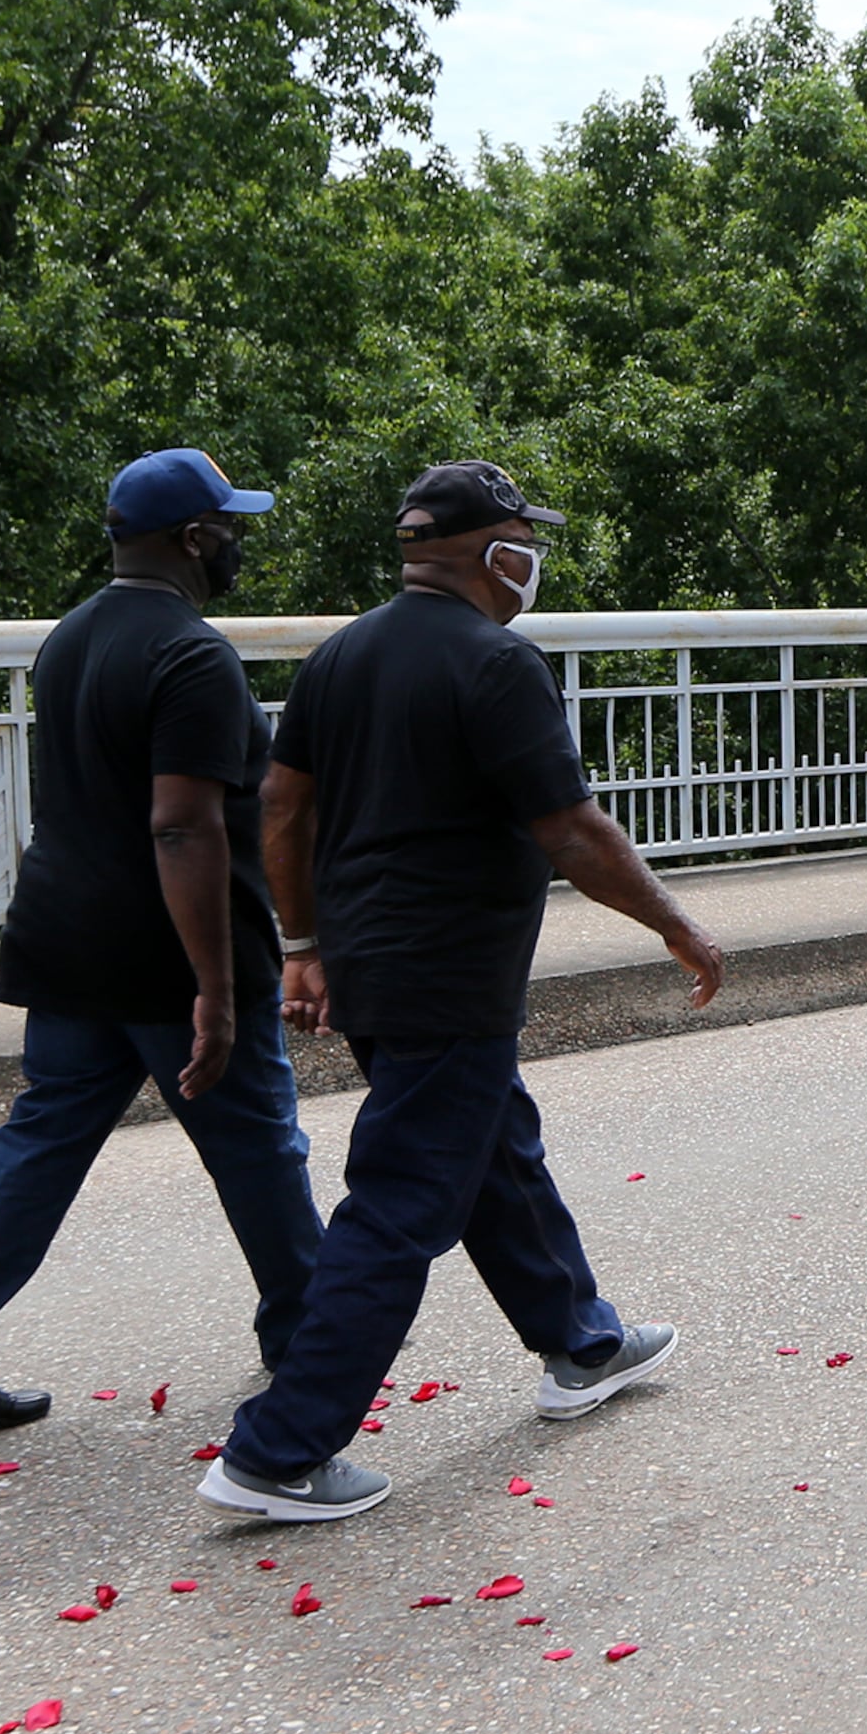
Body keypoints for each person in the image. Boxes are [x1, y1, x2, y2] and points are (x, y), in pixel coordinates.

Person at [200, 461, 727, 1523]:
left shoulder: (340, 655)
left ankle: (581, 1342)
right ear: (494, 553)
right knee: (401, 1202)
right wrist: (674, 921)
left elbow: (281, 810)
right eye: (527, 537)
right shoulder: (496, 665)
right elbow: (571, 828)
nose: (536, 557)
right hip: (449, 972)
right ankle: (280, 1450)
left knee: (494, 1148)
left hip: (379, 966)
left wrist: (303, 942)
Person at [0, 449, 320, 1431]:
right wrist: (214, 982)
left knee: (38, 1144)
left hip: (64, 936)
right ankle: (312, 1335)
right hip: (167, 948)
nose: (238, 541)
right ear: (195, 537)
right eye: (229, 525)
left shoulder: (68, 639)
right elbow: (180, 823)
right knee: (257, 1142)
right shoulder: (191, 655)